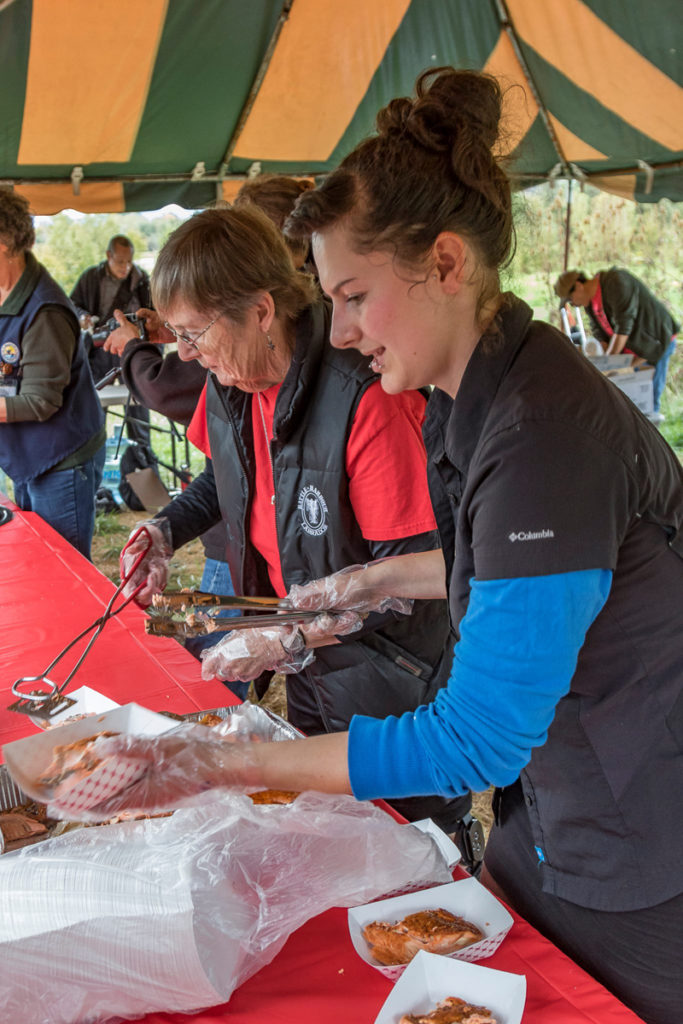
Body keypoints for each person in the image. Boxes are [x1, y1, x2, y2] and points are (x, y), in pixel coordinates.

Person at [97, 68, 683, 1024]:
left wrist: (228, 765)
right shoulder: (478, 393)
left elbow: (476, 738)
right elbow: (513, 566)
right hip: (554, 811)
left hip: (636, 830)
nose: (339, 329)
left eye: (356, 296)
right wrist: (371, 577)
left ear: (445, 264)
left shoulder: (544, 431)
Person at [116, 201, 476, 848]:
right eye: (177, 337)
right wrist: (166, 528)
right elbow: (225, 479)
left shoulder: (368, 402)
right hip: (304, 649)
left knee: (410, 835)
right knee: (332, 827)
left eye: (195, 334)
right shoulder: (232, 381)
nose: (189, 356)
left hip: (386, 673)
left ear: (260, 311)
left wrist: (294, 637)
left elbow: (414, 575)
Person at [0, 189, 104, 558]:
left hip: (62, 458)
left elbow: (41, 401)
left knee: (66, 567)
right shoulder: (5, 293)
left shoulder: (45, 310)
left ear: (3, 243)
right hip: (27, 455)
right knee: (36, 561)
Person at [554, 267, 679, 415]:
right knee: (630, 404)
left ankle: (649, 433)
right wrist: (598, 362)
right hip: (631, 352)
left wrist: (608, 367)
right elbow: (601, 336)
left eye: (570, 299)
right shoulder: (590, 303)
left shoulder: (616, 282)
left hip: (655, 342)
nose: (573, 305)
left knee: (647, 403)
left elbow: (623, 328)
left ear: (579, 286)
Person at [70, 234, 153, 451]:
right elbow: (72, 304)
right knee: (96, 409)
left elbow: (153, 314)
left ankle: (141, 460)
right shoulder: (91, 278)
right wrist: (83, 317)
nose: (125, 267)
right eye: (120, 261)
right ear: (108, 255)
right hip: (99, 351)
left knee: (138, 407)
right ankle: (94, 456)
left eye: (129, 261)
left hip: (132, 350)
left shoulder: (142, 280)